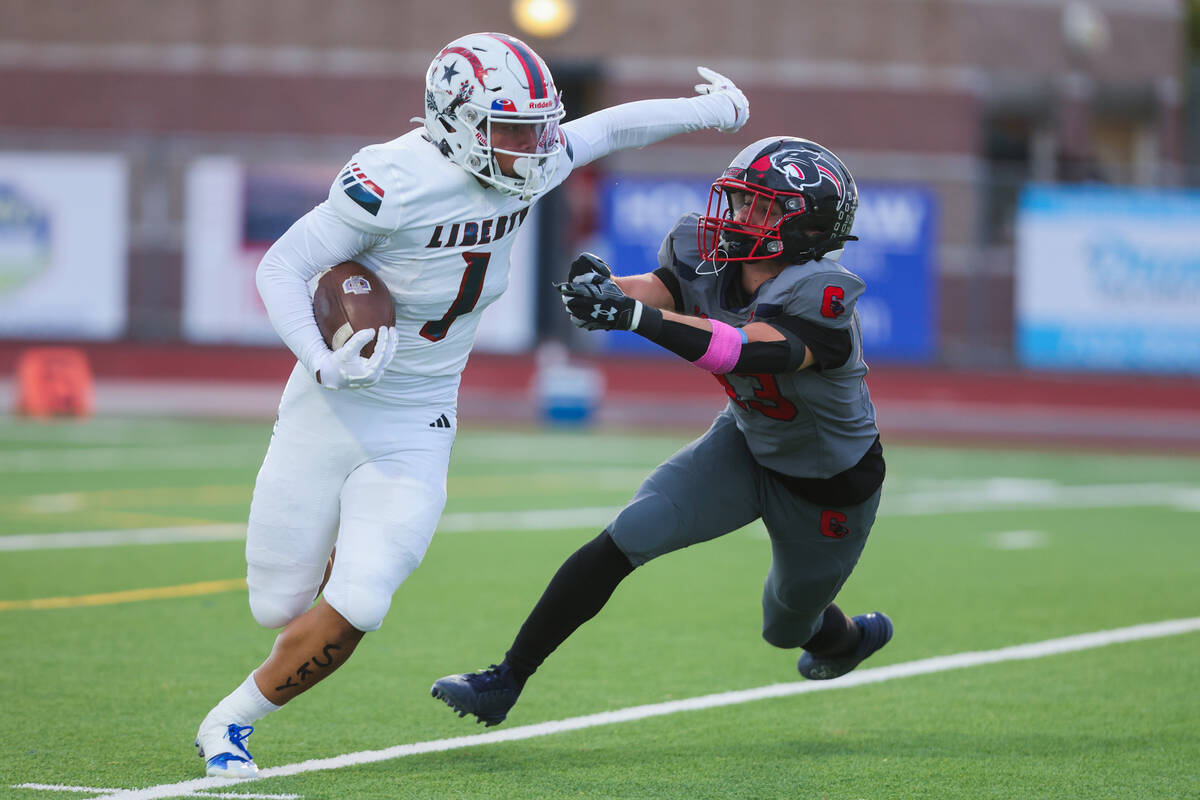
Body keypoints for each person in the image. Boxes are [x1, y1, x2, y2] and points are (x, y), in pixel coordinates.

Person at [193, 31, 749, 777]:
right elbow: (284, 267)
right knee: (275, 602)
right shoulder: (392, 179)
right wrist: (322, 360)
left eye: (538, 126)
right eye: (512, 129)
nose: (532, 147)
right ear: (453, 119)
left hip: (420, 415)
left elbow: (612, 126)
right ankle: (323, 555)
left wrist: (709, 110)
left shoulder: (533, 154)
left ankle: (230, 723)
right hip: (329, 405)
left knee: (363, 600)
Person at [431, 136, 892, 728]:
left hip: (828, 486)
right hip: (747, 444)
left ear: (805, 229)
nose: (737, 216)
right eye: (740, 201)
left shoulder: (823, 298)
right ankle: (505, 679)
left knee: (786, 624)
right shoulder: (712, 256)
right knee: (629, 533)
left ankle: (847, 639)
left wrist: (635, 319)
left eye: (761, 208)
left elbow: (739, 353)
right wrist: (608, 292)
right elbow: (663, 290)